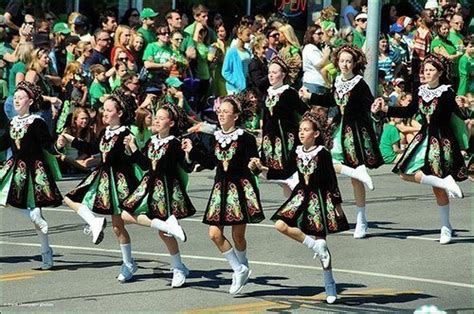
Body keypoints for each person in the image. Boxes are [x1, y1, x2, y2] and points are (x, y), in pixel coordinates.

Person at [251, 111, 349, 304]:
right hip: (300, 195)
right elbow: (284, 171)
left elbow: (331, 181)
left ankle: (330, 285)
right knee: (280, 225)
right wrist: (260, 169)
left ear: (316, 134)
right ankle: (315, 247)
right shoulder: (296, 151)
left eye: (306, 130)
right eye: (300, 130)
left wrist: (337, 206)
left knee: (322, 241)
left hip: (319, 198)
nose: (302, 133)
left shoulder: (322, 154)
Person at [373, 54, 468, 244]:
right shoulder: (420, 90)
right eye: (426, 70)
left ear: (440, 72)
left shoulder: (447, 92)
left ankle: (445, 227)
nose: (427, 73)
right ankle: (446, 183)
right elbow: (408, 112)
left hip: (442, 141)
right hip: (423, 137)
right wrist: (385, 111)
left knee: (436, 189)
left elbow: (459, 114)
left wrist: (465, 107)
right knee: (403, 172)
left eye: (432, 70)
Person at [182, 96, 265, 296]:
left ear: (235, 116)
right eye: (219, 112)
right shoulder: (216, 137)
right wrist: (192, 151)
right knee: (214, 233)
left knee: (238, 235)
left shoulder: (246, 138)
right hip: (220, 190)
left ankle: (241, 267)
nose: (221, 115)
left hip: (240, 190)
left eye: (225, 112)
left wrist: (255, 165)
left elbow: (254, 162)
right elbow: (211, 161)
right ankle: (238, 268)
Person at [299, 45, 384, 239]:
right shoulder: (337, 80)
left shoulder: (360, 83)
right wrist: (310, 96)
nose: (345, 64)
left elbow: (368, 104)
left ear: (355, 64)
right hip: (339, 129)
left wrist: (375, 108)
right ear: (337, 62)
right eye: (342, 60)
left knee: (355, 181)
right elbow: (331, 100)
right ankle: (358, 172)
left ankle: (361, 220)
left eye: (349, 61)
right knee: (328, 162)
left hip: (354, 132)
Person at [57, 92, 142, 282]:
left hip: (120, 182)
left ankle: (165, 225)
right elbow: (91, 148)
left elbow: (131, 159)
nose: (104, 113)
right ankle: (128, 263)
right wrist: (70, 139)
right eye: (104, 109)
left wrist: (131, 148)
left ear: (119, 113)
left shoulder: (127, 134)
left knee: (127, 221)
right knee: (115, 226)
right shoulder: (105, 132)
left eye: (109, 110)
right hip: (103, 177)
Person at [121, 105, 194, 288]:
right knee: (125, 215)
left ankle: (178, 268)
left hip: (166, 190)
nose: (157, 120)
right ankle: (167, 226)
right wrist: (132, 148)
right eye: (156, 117)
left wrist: (188, 154)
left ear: (171, 123)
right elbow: (145, 164)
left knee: (164, 234)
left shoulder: (175, 143)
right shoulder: (152, 141)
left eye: (161, 118)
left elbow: (186, 168)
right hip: (148, 186)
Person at [0, 81, 63, 270]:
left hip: (35, 170)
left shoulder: (37, 122)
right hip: (15, 169)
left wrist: (58, 146)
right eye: (15, 97)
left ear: (30, 101)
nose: (17, 100)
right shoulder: (12, 122)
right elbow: (3, 143)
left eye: (21, 97)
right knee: (26, 210)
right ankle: (32, 215)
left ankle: (46, 253)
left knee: (38, 213)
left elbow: (47, 145)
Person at [261, 57, 309, 196]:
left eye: (275, 72)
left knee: (288, 174)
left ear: (283, 74)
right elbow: (265, 117)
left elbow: (305, 111)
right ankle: (290, 207)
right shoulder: (268, 93)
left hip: (285, 139)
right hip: (269, 140)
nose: (271, 75)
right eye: (269, 72)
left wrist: (304, 131)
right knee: (280, 178)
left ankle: (299, 202)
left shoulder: (289, 92)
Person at [222, 25, 252, 95]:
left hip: (246, 87)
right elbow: (225, 72)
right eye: (247, 35)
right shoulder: (232, 52)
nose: (249, 37)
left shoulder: (248, 52)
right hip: (234, 89)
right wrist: (237, 82)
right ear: (240, 35)